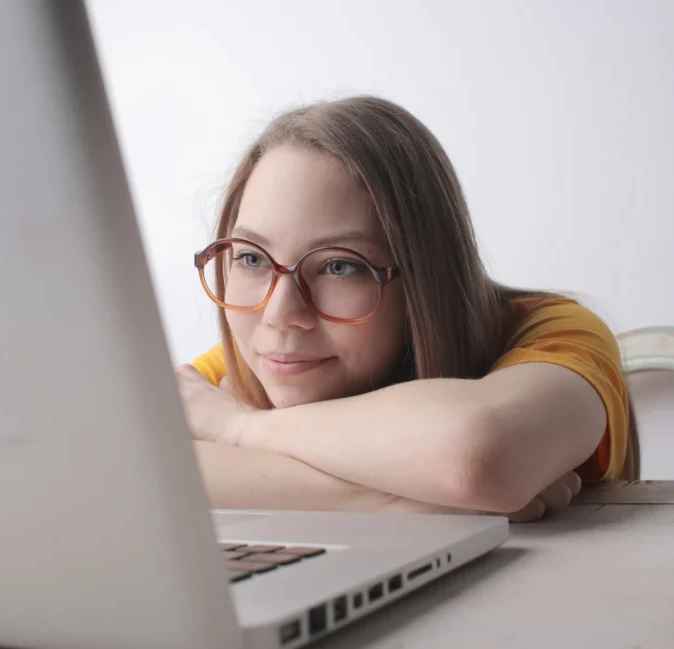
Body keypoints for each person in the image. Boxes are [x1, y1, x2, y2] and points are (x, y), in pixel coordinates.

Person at [175, 95, 633, 521]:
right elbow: (133, 472)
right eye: (251, 258)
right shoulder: (263, 360)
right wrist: (425, 501)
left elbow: (476, 455)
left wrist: (239, 428)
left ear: (423, 276)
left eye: (338, 266)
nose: (278, 314)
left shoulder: (553, 332)